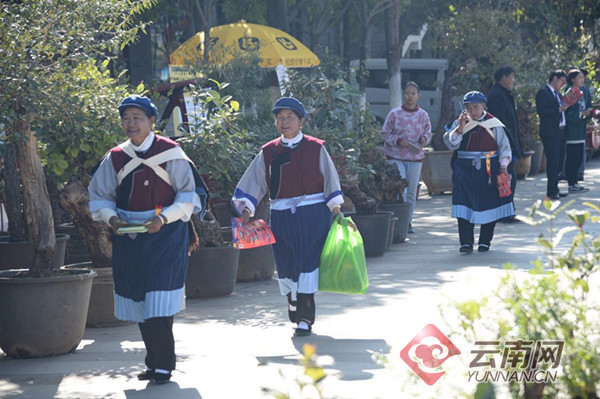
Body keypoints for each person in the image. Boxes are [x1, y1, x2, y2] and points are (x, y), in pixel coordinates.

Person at [88, 95, 203, 384]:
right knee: (140, 298)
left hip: (166, 234)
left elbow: (188, 195)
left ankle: (163, 364)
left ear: (152, 121)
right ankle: (153, 362)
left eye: (137, 117)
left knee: (160, 297)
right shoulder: (115, 157)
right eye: (126, 118)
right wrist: (112, 219)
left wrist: (163, 219)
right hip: (128, 236)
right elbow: (100, 195)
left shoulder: (172, 153)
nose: (131, 123)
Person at [232, 97, 344, 337]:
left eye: (290, 117)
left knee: (307, 263)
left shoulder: (316, 147)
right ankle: (293, 301)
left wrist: (336, 211)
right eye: (280, 118)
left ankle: (305, 317)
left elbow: (330, 179)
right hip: (282, 217)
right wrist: (245, 210)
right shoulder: (269, 151)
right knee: (286, 264)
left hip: (313, 216)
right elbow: (255, 182)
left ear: (301, 121)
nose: (284, 122)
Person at [443, 91, 514, 253]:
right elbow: (450, 144)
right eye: (469, 107)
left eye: (476, 107)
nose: (473, 111)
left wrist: (504, 166)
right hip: (464, 170)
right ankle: (466, 242)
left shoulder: (493, 123)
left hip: (489, 170)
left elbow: (505, 147)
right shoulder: (460, 122)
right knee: (464, 204)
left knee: (489, 203)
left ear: (484, 106)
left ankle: (485, 241)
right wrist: (459, 129)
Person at [380, 81, 432, 233]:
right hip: (395, 157)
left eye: (413, 94)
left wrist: (424, 139)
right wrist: (397, 141)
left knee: (411, 192)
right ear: (403, 94)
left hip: (415, 158)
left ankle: (407, 222)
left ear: (418, 96)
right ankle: (397, 221)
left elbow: (428, 132)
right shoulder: (394, 113)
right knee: (399, 189)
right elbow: (384, 133)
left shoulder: (423, 115)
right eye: (407, 93)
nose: (410, 96)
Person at [487, 66, 523, 222]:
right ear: (503, 77)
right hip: (502, 144)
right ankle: (504, 211)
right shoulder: (496, 96)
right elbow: (499, 124)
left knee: (509, 177)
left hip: (509, 142)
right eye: (512, 77)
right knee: (506, 177)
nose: (513, 81)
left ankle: (507, 210)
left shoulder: (504, 94)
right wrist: (506, 145)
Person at [536, 69, 568, 200]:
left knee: (560, 161)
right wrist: (558, 109)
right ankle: (551, 191)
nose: (563, 84)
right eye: (562, 81)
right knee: (553, 162)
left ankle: (555, 188)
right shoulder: (543, 92)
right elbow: (542, 111)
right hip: (550, 133)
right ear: (554, 78)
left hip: (560, 131)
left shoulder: (558, 94)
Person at [564, 69, 592, 192]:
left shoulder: (581, 92)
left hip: (580, 130)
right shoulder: (570, 92)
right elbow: (568, 113)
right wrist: (581, 114)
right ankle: (571, 183)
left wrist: (589, 114)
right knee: (572, 158)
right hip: (572, 131)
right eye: (579, 77)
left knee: (578, 158)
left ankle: (575, 182)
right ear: (573, 80)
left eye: (582, 77)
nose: (582, 80)